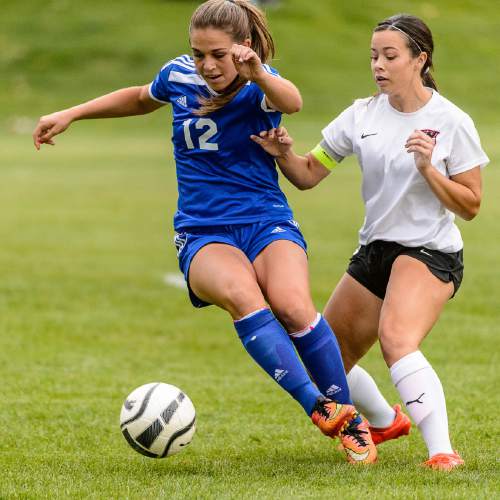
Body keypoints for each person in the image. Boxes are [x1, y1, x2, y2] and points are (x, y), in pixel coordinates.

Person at [32, 0, 377, 464]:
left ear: (242, 48)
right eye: (199, 53)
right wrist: (72, 113)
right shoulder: (178, 75)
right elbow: (139, 97)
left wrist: (257, 73)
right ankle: (319, 408)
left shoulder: (261, 84)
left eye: (217, 54)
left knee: (295, 307)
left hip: (265, 220)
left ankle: (351, 419)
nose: (207, 65)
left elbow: (292, 102)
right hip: (202, 230)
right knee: (243, 297)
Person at [251, 13, 489, 470]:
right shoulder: (361, 115)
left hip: (430, 251)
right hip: (375, 251)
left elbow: (471, 205)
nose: (378, 65)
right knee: (325, 355)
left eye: (390, 56)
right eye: (373, 56)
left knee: (396, 339)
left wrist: (428, 169)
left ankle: (442, 452)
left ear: (420, 59)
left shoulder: (451, 121)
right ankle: (384, 421)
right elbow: (307, 175)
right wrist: (283, 153)